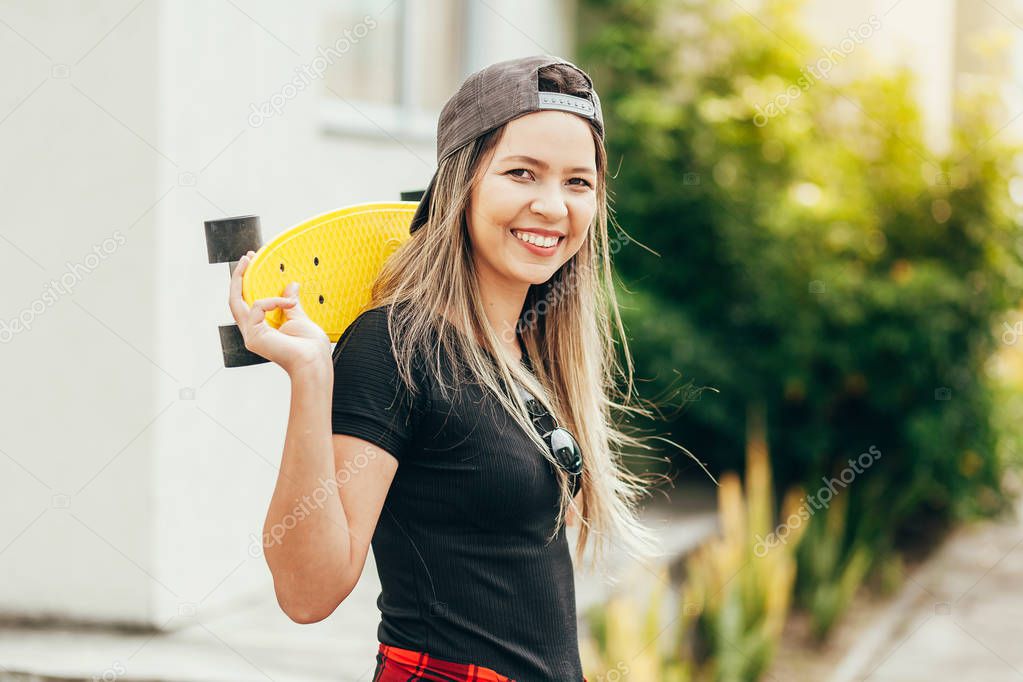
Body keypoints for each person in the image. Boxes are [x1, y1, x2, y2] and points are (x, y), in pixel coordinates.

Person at [228, 54, 666, 682]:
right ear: (462, 184)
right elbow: (308, 590)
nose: (552, 205)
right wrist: (311, 376)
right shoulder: (395, 345)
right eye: (522, 173)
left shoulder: (527, 352)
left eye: (578, 182)